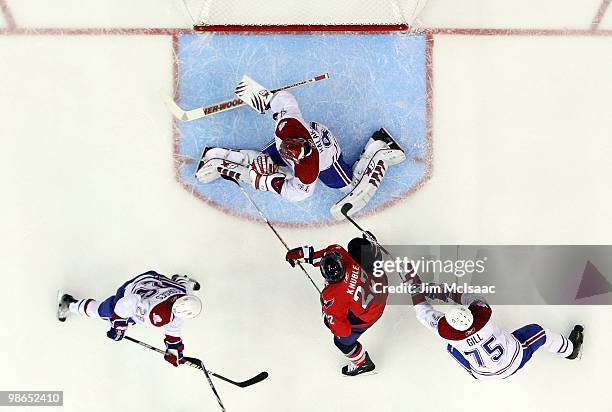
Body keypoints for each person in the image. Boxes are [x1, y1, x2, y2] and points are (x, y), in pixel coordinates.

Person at [195, 80, 405, 218]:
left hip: (326, 155)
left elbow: (298, 193)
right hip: (300, 139)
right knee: (261, 159)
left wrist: (271, 182)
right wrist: (264, 98)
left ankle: (378, 146)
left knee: (347, 186)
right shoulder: (288, 124)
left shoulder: (310, 169)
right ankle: (217, 156)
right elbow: (284, 99)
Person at [406, 271, 584, 380]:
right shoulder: (482, 314)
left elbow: (423, 313)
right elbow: (465, 296)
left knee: (450, 347)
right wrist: (439, 291)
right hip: (513, 358)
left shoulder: (446, 331)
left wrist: (415, 289)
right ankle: (571, 351)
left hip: (481, 374)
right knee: (540, 332)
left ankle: (570, 352)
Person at [285, 235, 387, 376]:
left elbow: (342, 331)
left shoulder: (333, 296)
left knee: (342, 342)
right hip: (380, 283)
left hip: (372, 313)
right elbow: (321, 255)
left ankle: (363, 364)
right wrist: (302, 254)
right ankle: (375, 253)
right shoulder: (339, 252)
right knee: (356, 245)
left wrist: (328, 318)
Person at [57, 270, 202, 367]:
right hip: (133, 289)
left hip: (155, 281)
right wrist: (119, 326)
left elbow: (174, 330)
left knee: (181, 286)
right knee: (104, 311)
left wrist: (175, 353)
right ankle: (69, 304)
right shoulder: (155, 314)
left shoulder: (185, 295)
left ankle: (181, 279)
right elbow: (126, 303)